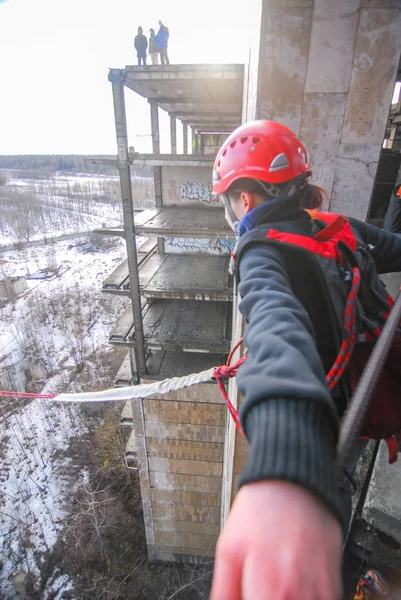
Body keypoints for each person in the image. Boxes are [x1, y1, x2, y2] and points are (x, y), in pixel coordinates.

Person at [210, 120, 401, 600]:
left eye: (229, 200)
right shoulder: (337, 228)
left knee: (319, 517)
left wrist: (283, 452)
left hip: (336, 414)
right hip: (378, 381)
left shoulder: (258, 252)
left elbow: (274, 325)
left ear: (246, 200)